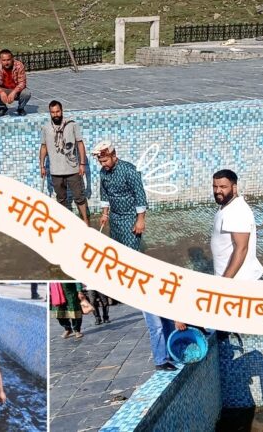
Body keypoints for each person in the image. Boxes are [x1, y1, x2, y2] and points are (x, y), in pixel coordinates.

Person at [93, 140, 185, 371]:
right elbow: (104, 194)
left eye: (105, 159)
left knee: (132, 251)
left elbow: (140, 196)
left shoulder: (129, 170)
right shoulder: (104, 174)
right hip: (115, 218)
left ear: (113, 155)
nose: (103, 163)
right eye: (100, 160)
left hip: (130, 218)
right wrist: (104, 214)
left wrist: (141, 220)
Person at [40, 100, 90, 225]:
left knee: (79, 197)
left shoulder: (72, 125)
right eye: (53, 112)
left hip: (72, 169)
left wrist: (82, 164)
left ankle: (86, 222)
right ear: (50, 113)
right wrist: (41, 165)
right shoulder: (46, 128)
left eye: (57, 111)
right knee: (61, 199)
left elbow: (80, 143)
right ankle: (64, 224)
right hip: (56, 171)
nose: (55, 114)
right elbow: (44, 147)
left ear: (62, 111)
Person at [211, 169, 263, 280]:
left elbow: (242, 248)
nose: (217, 191)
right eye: (215, 186)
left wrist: (225, 282)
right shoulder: (227, 205)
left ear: (234, 188)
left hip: (238, 279)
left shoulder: (237, 211)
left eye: (223, 187)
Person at [0, 49, 30, 116]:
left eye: (8, 60)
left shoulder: (19, 65)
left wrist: (14, 92)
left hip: (16, 89)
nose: (6, 62)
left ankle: (20, 108)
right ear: (0, 60)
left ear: (12, 59)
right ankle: (2, 108)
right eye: (4, 60)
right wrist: (1, 92)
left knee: (26, 93)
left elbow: (22, 83)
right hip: (3, 89)